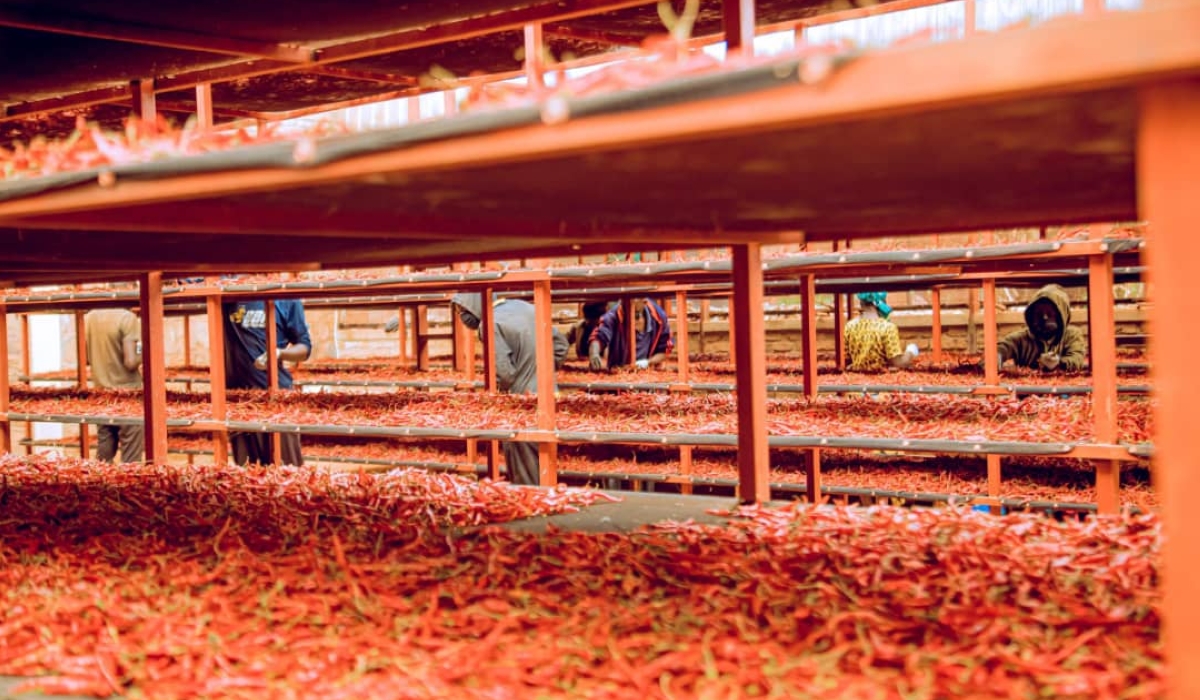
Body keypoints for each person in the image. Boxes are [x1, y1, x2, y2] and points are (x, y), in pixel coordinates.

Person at [450, 293, 568, 486]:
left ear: (474, 304)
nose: (462, 317)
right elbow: (561, 346)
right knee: (545, 461)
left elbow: (504, 374)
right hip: (549, 398)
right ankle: (548, 497)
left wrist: (493, 397)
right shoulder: (526, 307)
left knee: (524, 466)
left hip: (521, 405)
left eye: (462, 311)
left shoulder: (489, 324)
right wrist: (541, 372)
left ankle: (533, 502)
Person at [223, 299, 312, 466]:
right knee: (247, 470)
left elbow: (304, 347)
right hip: (239, 401)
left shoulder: (287, 300)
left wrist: (279, 353)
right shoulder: (229, 295)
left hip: (276, 397)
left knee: (285, 467)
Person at [85, 308, 144, 463]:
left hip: (101, 394)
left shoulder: (90, 317)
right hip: (128, 395)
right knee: (131, 459)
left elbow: (86, 358)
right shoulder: (127, 318)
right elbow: (131, 361)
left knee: (104, 455)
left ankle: (99, 480)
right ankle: (129, 480)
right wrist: (142, 347)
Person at [997, 283, 1086, 372]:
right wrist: (997, 357)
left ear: (1061, 316)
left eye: (1050, 313)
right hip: (1027, 380)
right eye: (1039, 313)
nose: (1044, 317)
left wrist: (1059, 363)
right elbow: (1003, 348)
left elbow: (1077, 358)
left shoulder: (1072, 336)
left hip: (1065, 380)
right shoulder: (1020, 339)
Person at [588, 298, 673, 371]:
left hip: (649, 373)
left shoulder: (659, 317)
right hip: (618, 372)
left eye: (636, 314)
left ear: (644, 302)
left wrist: (647, 362)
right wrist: (594, 353)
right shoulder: (614, 315)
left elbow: (665, 349)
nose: (630, 303)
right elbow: (599, 336)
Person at [844, 291, 919, 372]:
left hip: (857, 378)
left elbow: (846, 360)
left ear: (861, 302)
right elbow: (898, 363)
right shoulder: (887, 328)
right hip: (881, 378)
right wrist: (910, 352)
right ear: (878, 303)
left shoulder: (849, 326)